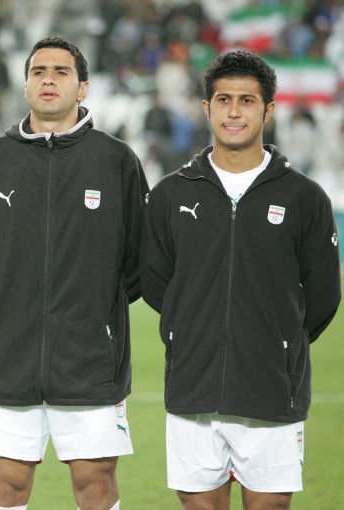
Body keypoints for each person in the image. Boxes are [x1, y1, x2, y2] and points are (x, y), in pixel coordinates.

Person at [141, 50, 340, 509]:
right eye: (224, 100)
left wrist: (280, 342)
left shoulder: (305, 197)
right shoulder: (171, 194)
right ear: (206, 108)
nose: (234, 112)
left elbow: (324, 296)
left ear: (268, 111)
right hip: (193, 385)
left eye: (247, 101)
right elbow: (155, 282)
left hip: (272, 389)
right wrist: (189, 330)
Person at [0, 36, 148, 510]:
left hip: (91, 359)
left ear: (82, 88)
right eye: (38, 71)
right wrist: (10, 304)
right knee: (7, 481)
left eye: (62, 72)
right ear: (25, 86)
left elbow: (139, 257)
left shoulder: (116, 160)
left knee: (94, 482)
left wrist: (96, 311)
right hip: (10, 356)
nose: (48, 79)